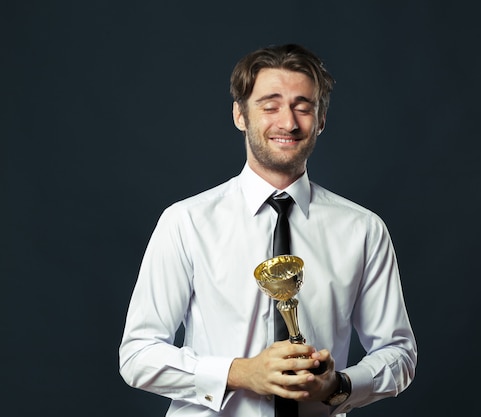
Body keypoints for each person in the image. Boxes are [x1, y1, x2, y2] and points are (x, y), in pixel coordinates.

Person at [119, 44, 417, 417]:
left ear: (321, 119)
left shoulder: (363, 230)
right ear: (240, 115)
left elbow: (399, 354)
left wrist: (337, 385)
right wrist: (241, 373)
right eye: (270, 105)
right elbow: (138, 355)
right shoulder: (186, 222)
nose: (288, 122)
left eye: (303, 106)